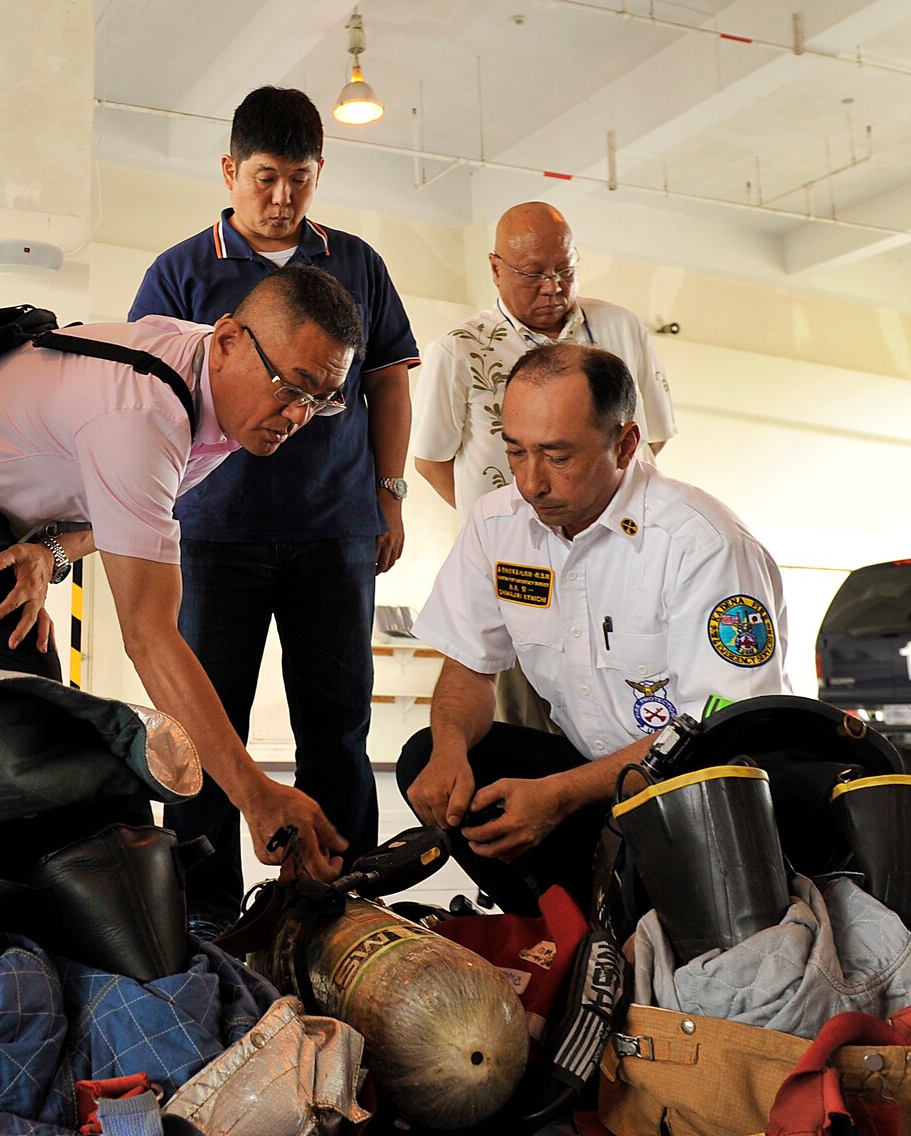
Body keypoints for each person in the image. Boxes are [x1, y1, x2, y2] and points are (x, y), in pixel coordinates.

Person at [0, 265, 367, 884]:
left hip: (2, 508)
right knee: (33, 697)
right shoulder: (144, 413)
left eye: (322, 399)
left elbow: (121, 510)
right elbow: (149, 636)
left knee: (6, 701)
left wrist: (52, 552)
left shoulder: (216, 385)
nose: (298, 415)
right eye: (293, 387)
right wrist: (254, 794)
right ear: (230, 338)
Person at [127, 85, 417, 938]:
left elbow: (388, 380)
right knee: (206, 721)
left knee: (338, 721)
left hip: (335, 532)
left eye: (299, 178)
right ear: (229, 171)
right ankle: (204, 907)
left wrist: (388, 493)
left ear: (318, 173)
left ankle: (339, 894)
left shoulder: (354, 262)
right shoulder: (183, 269)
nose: (282, 197)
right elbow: (147, 395)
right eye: (265, 177)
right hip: (212, 535)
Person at [399, 345, 790, 913]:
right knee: (430, 758)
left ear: (625, 445)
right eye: (517, 452)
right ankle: (562, 931)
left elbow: (722, 729)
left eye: (558, 457)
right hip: (593, 784)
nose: (531, 482)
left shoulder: (702, 544)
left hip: (700, 795)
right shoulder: (497, 523)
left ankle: (625, 925)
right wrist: (450, 749)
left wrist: (558, 796)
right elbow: (469, 667)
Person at [409, 201, 677, 733]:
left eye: (565, 269)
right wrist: (516, 517)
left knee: (637, 709)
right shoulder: (458, 350)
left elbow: (650, 438)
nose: (553, 286)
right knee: (527, 720)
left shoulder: (621, 327)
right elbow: (431, 459)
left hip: (624, 553)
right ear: (495, 269)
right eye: (534, 274)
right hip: (524, 568)